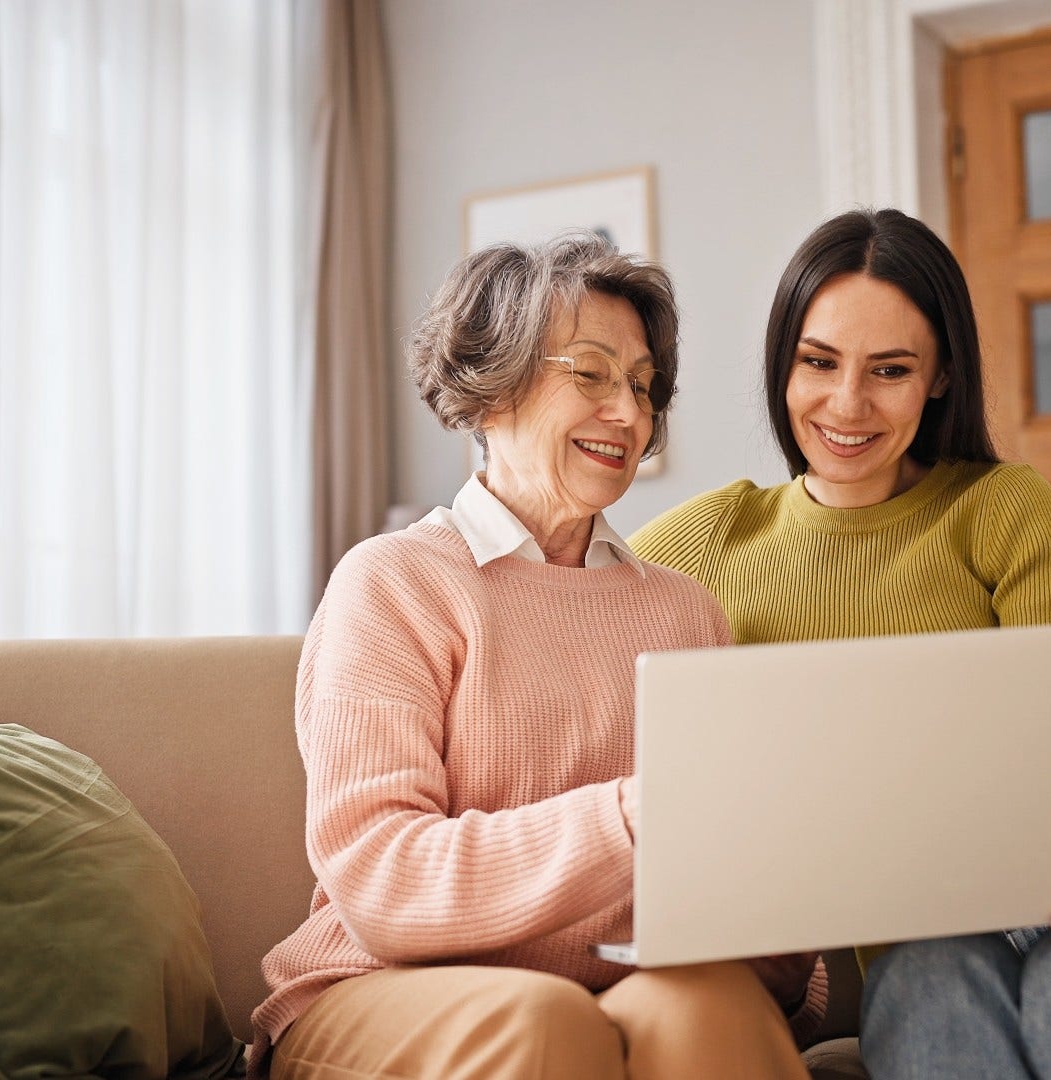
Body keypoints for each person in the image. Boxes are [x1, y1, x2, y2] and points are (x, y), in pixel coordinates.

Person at [631, 208, 1051, 1079]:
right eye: (818, 362)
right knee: (926, 987)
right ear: (782, 361)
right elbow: (557, 613)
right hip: (928, 939)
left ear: (940, 378)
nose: (847, 405)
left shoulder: (1003, 508)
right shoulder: (704, 547)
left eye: (891, 370)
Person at [253, 234, 821, 1080]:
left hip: (613, 987)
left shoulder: (686, 611)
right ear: (490, 391)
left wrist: (779, 906)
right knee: (545, 1021)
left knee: (717, 1006)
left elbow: (743, 919)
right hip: (377, 987)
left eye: (641, 385)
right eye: (589, 374)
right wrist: (630, 818)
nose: (628, 415)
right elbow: (381, 881)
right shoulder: (396, 583)